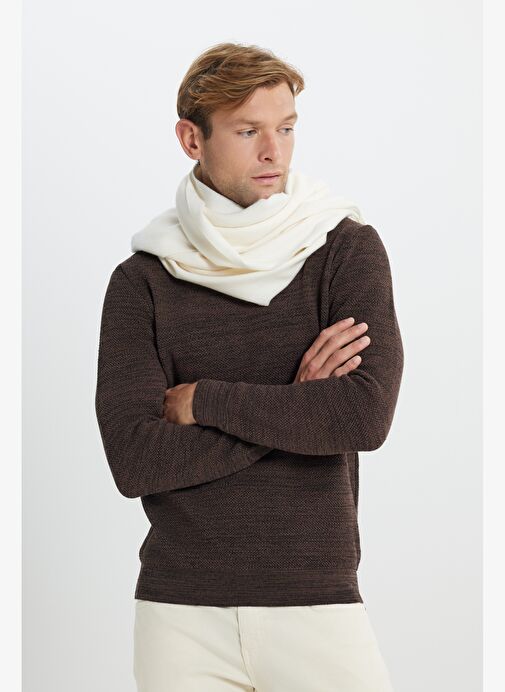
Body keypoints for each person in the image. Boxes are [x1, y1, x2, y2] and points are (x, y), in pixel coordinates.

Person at [95, 41, 404, 692]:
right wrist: (297, 404)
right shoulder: (142, 281)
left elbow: (362, 415)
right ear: (191, 139)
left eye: (286, 129)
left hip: (316, 605)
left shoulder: (343, 250)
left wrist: (203, 401)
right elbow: (135, 460)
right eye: (247, 131)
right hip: (179, 615)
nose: (274, 152)